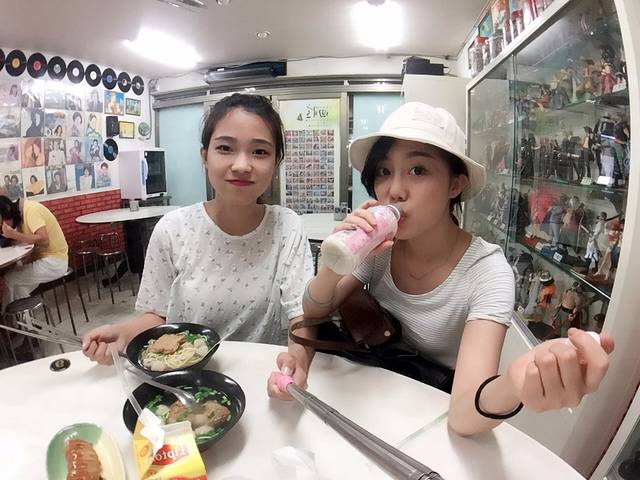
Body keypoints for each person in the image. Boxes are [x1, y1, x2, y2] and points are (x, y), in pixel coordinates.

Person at [266, 102, 614, 436]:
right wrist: (337, 260)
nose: (394, 190)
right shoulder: (379, 248)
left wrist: (516, 381)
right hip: (369, 397)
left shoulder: (486, 271)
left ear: (455, 185)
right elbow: (314, 311)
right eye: (384, 172)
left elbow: (462, 415)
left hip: (429, 414)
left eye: (418, 170)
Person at [82, 93, 314, 364]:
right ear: (205, 156)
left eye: (260, 152)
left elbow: (301, 314)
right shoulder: (172, 229)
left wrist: (298, 361)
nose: (242, 165)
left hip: (260, 375)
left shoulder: (286, 226)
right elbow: (156, 315)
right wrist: (123, 333)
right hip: (185, 375)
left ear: (276, 162)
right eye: (225, 148)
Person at [0, 195, 68, 308]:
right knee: (18, 286)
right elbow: (24, 240)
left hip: (54, 261)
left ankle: (6, 315)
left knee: (10, 278)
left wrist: (13, 234)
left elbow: (44, 240)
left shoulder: (31, 210)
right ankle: (23, 317)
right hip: (43, 259)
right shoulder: (20, 216)